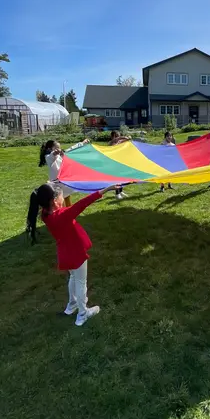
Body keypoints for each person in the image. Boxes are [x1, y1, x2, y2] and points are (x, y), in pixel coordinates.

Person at [26, 182, 120, 326]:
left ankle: (72, 305)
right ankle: (83, 314)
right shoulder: (63, 215)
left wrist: (51, 184)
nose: (64, 198)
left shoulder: (45, 215)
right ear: (55, 201)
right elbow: (83, 203)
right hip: (76, 253)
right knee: (81, 283)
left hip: (65, 253)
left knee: (73, 278)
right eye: (62, 196)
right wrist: (107, 189)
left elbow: (54, 202)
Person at [38, 139, 88, 206]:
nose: (58, 149)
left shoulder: (60, 155)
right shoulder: (48, 157)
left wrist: (82, 143)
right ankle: (61, 212)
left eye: (59, 147)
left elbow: (71, 149)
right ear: (51, 148)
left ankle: (68, 212)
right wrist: (55, 153)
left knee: (67, 197)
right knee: (59, 199)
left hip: (63, 180)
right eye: (56, 148)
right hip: (56, 183)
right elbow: (51, 156)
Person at [108, 131, 131, 200]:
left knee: (121, 177)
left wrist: (127, 137)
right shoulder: (111, 143)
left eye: (119, 135)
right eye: (117, 136)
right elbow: (113, 142)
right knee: (116, 179)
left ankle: (121, 191)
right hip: (113, 163)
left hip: (121, 161)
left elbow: (128, 139)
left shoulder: (120, 142)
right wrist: (121, 137)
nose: (118, 137)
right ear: (113, 136)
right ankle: (117, 193)